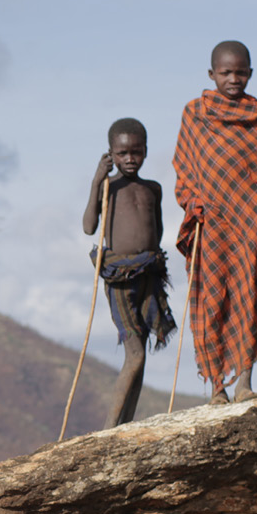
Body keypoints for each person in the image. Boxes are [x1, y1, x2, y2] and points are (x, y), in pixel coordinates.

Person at [172, 40, 257, 404]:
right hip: (212, 222)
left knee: (250, 294)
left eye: (240, 72)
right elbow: (185, 166)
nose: (233, 79)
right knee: (213, 298)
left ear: (251, 74)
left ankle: (243, 383)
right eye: (225, 73)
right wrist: (193, 202)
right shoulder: (195, 114)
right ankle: (216, 388)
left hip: (255, 223)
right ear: (211, 75)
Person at [83, 117, 176, 427]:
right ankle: (108, 429)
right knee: (134, 354)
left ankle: (125, 424)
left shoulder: (153, 189)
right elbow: (88, 227)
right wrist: (97, 179)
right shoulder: (109, 188)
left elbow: (158, 230)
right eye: (122, 154)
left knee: (142, 357)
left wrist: (151, 258)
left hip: (148, 273)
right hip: (120, 278)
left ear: (146, 152)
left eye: (136, 152)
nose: (130, 159)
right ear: (111, 153)